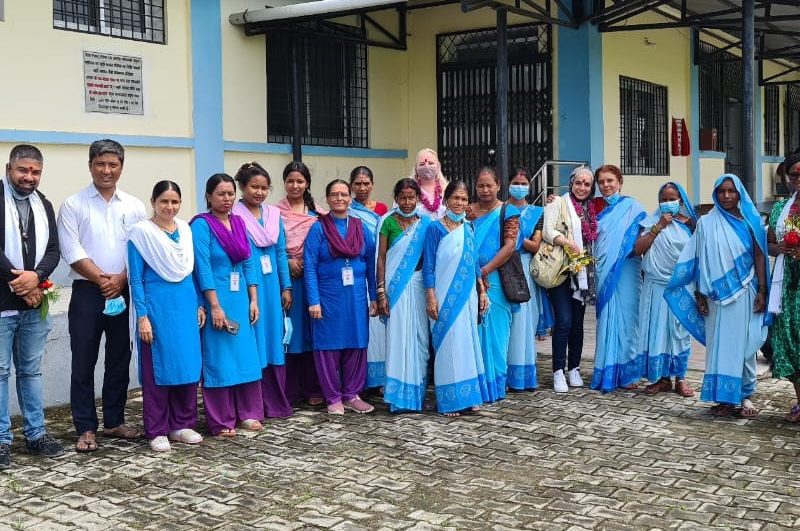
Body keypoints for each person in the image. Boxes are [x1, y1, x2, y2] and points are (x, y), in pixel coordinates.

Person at [57, 139, 146, 453]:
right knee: (84, 360)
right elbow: (71, 250)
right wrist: (101, 279)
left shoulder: (134, 206)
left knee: (120, 357)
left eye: (113, 164)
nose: (107, 170)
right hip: (87, 293)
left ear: (121, 167)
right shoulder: (73, 204)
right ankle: (85, 427)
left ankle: (114, 421)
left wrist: (121, 278)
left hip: (123, 289)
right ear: (90, 164)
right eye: (100, 164)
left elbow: (138, 247)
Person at [666, 174, 770, 418]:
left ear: (740, 193)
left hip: (745, 291)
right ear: (715, 194)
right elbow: (699, 259)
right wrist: (700, 294)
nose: (727, 196)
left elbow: (759, 256)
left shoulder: (750, 220)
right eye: (722, 191)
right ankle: (724, 399)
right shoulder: (706, 223)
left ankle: (745, 395)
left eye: (731, 191)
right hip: (713, 297)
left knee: (744, 346)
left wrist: (763, 291)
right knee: (719, 347)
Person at [128, 181, 204, 452]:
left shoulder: (184, 229)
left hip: (185, 305)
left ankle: (181, 424)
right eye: (164, 202)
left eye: (174, 202)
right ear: (153, 202)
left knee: (187, 366)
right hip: (157, 309)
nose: (169, 207)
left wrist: (199, 304)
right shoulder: (140, 233)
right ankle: (157, 429)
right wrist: (142, 317)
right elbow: (136, 279)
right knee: (158, 370)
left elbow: (190, 271)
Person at [0, 145, 63, 469]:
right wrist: (18, 282)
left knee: (31, 371)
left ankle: (36, 434)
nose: (29, 177)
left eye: (35, 172)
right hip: (2, 303)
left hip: (34, 301)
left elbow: (53, 249)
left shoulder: (44, 204)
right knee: (0, 373)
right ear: (10, 168)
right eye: (23, 170)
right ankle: (1, 441)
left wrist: (36, 278)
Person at [191, 174, 263, 436]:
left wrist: (253, 299)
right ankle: (221, 419)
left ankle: (248, 413)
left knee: (245, 356)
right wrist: (214, 306)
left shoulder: (240, 223)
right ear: (209, 196)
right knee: (219, 358)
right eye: (221, 194)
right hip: (217, 298)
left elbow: (248, 263)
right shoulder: (201, 226)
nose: (227, 199)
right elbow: (203, 267)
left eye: (230, 193)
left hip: (240, 297)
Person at [304, 179, 377, 415]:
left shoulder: (359, 226)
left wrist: (374, 296)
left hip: (355, 296)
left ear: (350, 197)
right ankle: (333, 396)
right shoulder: (318, 228)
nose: (339, 199)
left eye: (344, 194)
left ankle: (351, 394)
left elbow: (371, 263)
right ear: (327, 198)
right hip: (327, 296)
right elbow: (309, 265)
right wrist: (313, 300)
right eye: (334, 194)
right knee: (328, 346)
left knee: (356, 343)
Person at [423, 181, 489, 416]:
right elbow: (428, 266)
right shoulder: (435, 229)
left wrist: (482, 291)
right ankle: (450, 399)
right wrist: (430, 297)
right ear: (445, 200)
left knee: (467, 343)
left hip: (468, 296)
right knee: (448, 345)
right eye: (455, 199)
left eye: (464, 199)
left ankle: (469, 395)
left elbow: (475, 264)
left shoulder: (468, 228)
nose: (460, 203)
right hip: (443, 296)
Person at [233, 162, 293, 419]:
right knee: (254, 339)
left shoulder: (273, 215)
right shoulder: (234, 215)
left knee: (272, 338)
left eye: (264, 188)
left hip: (272, 286)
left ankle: (275, 403)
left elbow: (280, 252)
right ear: (242, 187)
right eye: (253, 187)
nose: (259, 192)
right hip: (247, 285)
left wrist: (286, 285)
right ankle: (252, 406)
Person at [632, 182, 697, 398]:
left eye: (672, 199)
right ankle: (661, 379)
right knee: (657, 331)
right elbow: (638, 249)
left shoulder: (690, 225)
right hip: (656, 285)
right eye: (664, 199)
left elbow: (696, 256)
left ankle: (681, 378)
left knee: (679, 332)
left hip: (680, 286)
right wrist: (659, 225)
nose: (668, 203)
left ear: (680, 200)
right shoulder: (651, 222)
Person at [590, 164, 646, 393]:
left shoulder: (633, 207)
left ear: (620, 182)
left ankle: (628, 373)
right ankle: (607, 370)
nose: (606, 185)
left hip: (628, 269)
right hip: (605, 271)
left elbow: (642, 239)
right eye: (601, 182)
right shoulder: (594, 211)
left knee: (629, 319)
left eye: (610, 181)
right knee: (608, 319)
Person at [377, 178, 431, 412]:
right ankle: (398, 398)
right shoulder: (387, 222)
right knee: (397, 338)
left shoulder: (426, 223)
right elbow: (381, 257)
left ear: (418, 198)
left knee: (420, 339)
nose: (407, 202)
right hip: (394, 286)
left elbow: (430, 258)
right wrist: (380, 292)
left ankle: (416, 393)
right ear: (396, 198)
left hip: (418, 285)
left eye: (412, 197)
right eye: (403, 197)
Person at [542, 166, 597, 392]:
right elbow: (548, 231)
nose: (582, 187)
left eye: (587, 184)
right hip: (561, 270)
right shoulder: (558, 203)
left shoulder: (592, 209)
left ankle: (574, 368)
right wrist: (567, 242)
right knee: (563, 321)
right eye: (578, 182)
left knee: (577, 323)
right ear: (571, 183)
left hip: (582, 272)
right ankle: (557, 371)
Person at [468, 167, 520, 402]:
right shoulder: (468, 212)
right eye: (481, 185)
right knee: (475, 332)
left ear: (499, 185)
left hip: (496, 279)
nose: (485, 190)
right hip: (470, 280)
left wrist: (486, 270)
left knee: (498, 334)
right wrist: (475, 273)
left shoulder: (508, 211)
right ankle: (478, 384)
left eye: (489, 185)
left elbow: (510, 246)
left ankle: (496, 385)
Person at [276, 162, 325, 407]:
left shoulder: (318, 214)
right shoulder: (274, 213)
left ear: (307, 184)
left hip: (313, 280)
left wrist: (308, 260)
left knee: (313, 331)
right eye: (290, 181)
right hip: (287, 281)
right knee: (290, 333)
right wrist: (287, 261)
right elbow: (270, 245)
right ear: (284, 183)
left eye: (300, 181)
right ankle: (288, 389)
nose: (295, 186)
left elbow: (326, 243)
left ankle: (314, 387)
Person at [767, 151, 800, 421]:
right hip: (786, 283)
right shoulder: (779, 209)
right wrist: (779, 247)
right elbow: (768, 243)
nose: (798, 179)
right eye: (794, 175)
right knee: (790, 341)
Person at [505, 168, 545, 391]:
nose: (519, 187)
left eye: (523, 183)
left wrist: (516, 236)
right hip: (503, 267)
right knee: (505, 322)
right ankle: (502, 372)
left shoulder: (537, 213)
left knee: (523, 324)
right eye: (515, 182)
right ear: (508, 184)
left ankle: (521, 376)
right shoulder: (501, 210)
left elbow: (536, 245)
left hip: (525, 271)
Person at [348, 166, 387, 391]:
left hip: (381, 268)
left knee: (380, 324)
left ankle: (382, 378)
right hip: (359, 271)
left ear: (372, 184)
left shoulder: (382, 209)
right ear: (351, 185)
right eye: (358, 184)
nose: (362, 188)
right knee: (365, 321)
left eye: (366, 183)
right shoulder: (348, 210)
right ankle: (361, 378)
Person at [410, 148, 448, 219]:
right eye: (422, 164)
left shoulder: (447, 190)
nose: (426, 166)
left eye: (431, 163)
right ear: (416, 168)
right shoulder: (408, 190)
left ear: (438, 167)